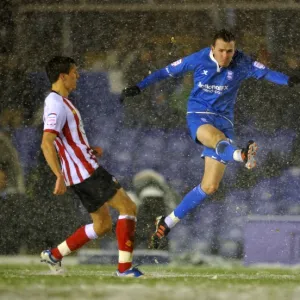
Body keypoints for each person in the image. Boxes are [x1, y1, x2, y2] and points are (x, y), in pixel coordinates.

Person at [120, 29, 300, 249]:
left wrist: (291, 81)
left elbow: (268, 73)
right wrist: (139, 87)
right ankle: (240, 155)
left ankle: (166, 223)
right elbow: (165, 72)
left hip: (225, 121)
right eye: (221, 51)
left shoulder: (242, 62)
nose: (226, 56)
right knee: (216, 139)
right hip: (199, 116)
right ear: (212, 48)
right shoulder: (198, 59)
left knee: (210, 186)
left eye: (230, 51)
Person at [40, 56, 143, 277]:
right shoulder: (56, 104)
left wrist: (88, 149)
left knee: (102, 224)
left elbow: (65, 140)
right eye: (74, 71)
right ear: (63, 76)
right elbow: (46, 142)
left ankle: (54, 254)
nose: (77, 75)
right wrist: (58, 175)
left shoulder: (61, 101)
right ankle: (124, 269)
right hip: (86, 171)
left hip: (81, 170)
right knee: (128, 208)